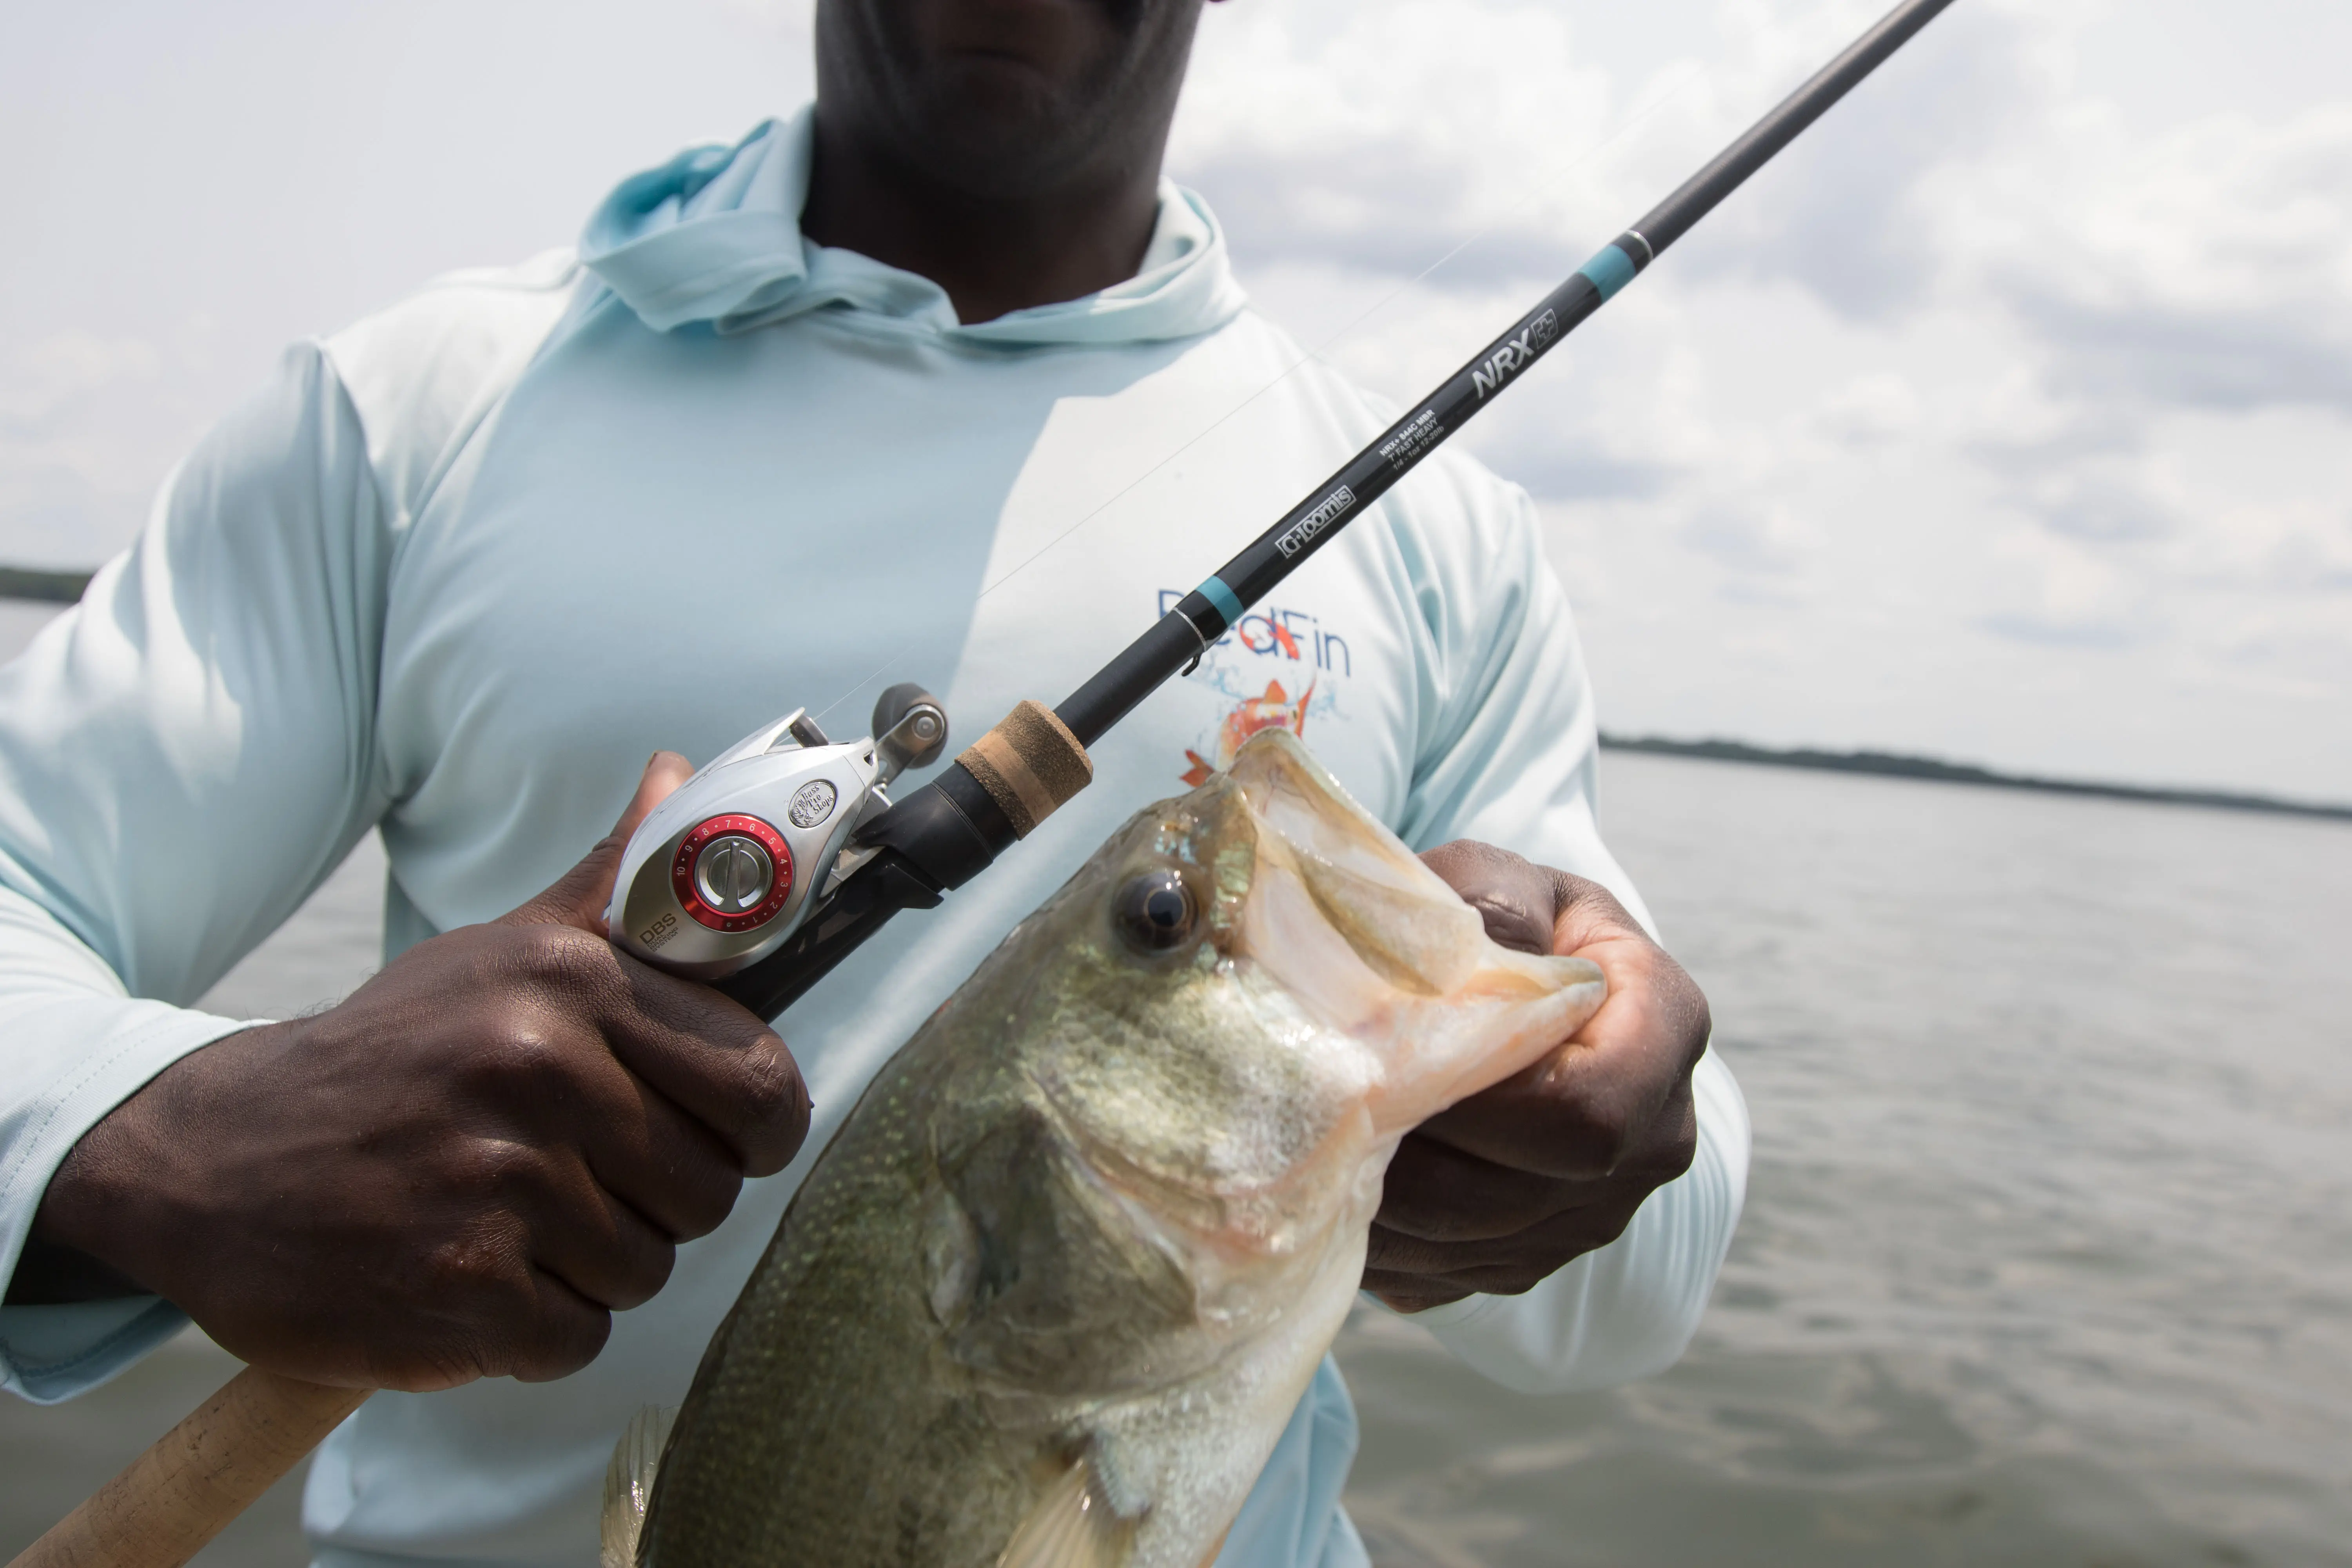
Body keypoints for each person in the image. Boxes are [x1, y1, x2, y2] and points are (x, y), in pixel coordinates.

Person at [0, 0, 1748, 1562]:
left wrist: (1583, 1127)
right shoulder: (415, 406)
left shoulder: (1452, 539)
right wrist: (155, 1134)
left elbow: (1642, 1292)